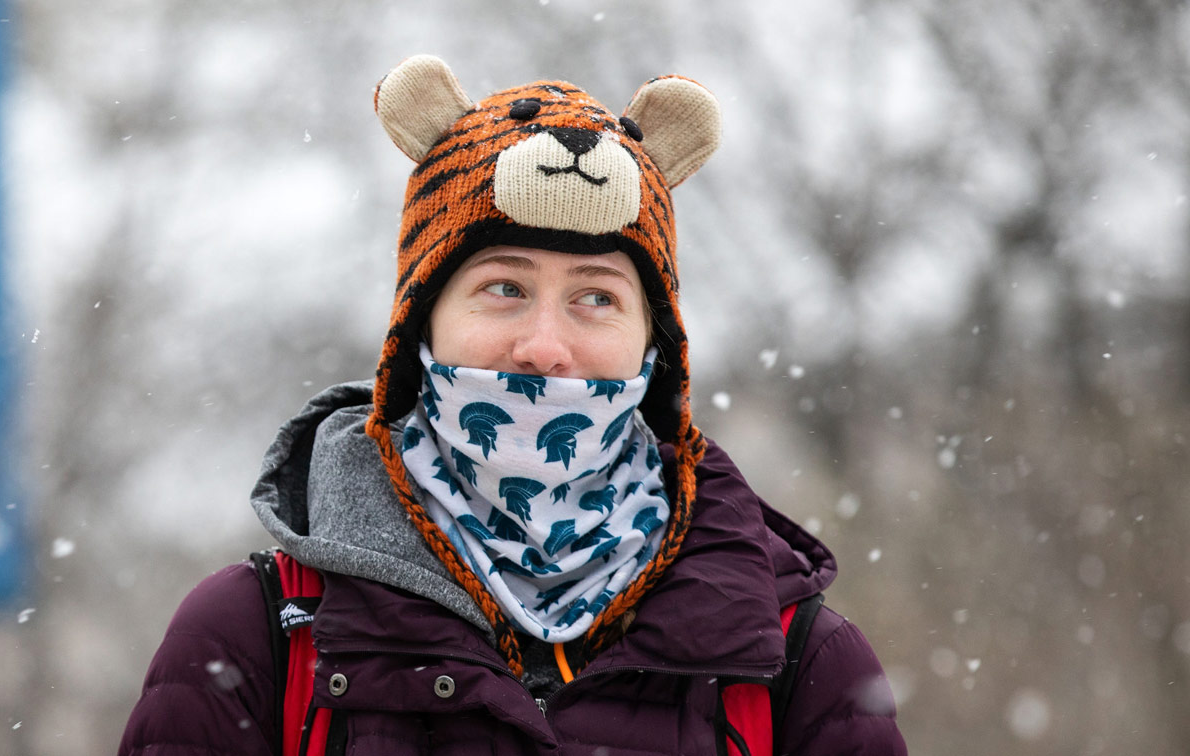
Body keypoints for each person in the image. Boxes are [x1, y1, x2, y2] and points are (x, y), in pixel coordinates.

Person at [117, 55, 905, 755]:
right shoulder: (258, 637)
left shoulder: (791, 658)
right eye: (504, 287)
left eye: (596, 296)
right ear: (419, 322)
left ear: (652, 349)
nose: (545, 346)